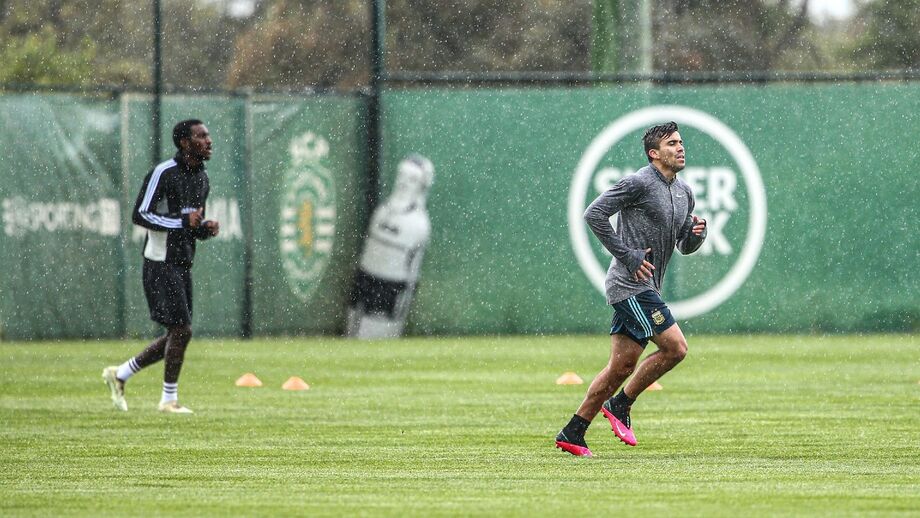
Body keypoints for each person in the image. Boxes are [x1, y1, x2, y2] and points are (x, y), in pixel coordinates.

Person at [555, 121, 707, 456]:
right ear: (654, 154)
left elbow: (684, 245)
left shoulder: (685, 192)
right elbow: (594, 214)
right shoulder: (638, 182)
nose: (680, 148)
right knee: (676, 348)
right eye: (671, 144)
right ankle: (620, 404)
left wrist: (697, 236)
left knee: (621, 368)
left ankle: (573, 432)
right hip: (629, 285)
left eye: (680, 142)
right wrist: (627, 255)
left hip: (647, 287)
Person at [103, 119, 219, 414]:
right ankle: (168, 400)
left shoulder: (202, 178)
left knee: (177, 333)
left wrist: (204, 228)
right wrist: (182, 222)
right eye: (201, 136)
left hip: (182, 263)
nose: (209, 141)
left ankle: (120, 374)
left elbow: (190, 226)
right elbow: (140, 214)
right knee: (181, 330)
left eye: (208, 136)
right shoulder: (164, 172)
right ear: (184, 143)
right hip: (160, 262)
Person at [345, 154, 434, 338]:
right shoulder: (382, 211)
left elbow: (413, 271)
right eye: (402, 176)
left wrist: (404, 294)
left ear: (422, 184)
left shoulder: (419, 223)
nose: (404, 183)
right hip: (365, 277)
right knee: (351, 331)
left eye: (412, 179)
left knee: (378, 336)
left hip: (391, 286)